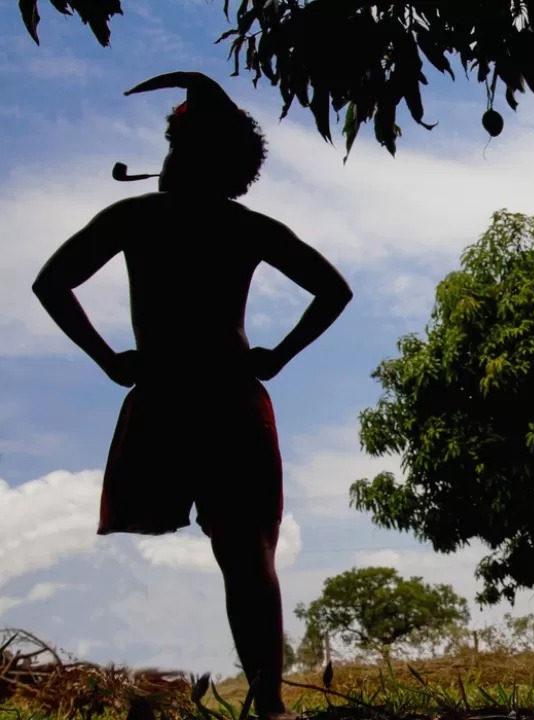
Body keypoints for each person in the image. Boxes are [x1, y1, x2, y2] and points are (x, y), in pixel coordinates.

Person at [31, 71, 352, 720]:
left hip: (179, 398)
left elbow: (52, 284)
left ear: (202, 158)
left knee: (229, 554)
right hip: (220, 397)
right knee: (236, 554)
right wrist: (278, 358)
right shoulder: (238, 226)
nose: (169, 159)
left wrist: (108, 360)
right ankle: (260, 706)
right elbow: (333, 291)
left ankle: (257, 703)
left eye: (179, 147)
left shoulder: (140, 217)